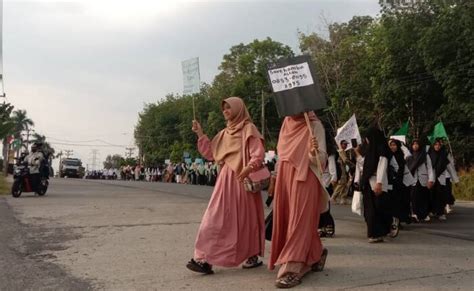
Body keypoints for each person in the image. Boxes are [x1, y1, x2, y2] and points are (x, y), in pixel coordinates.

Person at [186, 97, 265, 274]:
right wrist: (200, 133)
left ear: (238, 108)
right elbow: (210, 153)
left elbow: (258, 154)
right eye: (224, 108)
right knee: (214, 219)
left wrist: (248, 168)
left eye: (229, 107)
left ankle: (251, 255)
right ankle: (204, 259)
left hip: (243, 181)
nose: (226, 111)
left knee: (246, 220)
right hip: (225, 182)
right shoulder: (224, 134)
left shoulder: (248, 129)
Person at [269, 112, 329, 289]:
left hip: (306, 177)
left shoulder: (315, 125)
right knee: (288, 220)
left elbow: (321, 160)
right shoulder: (286, 123)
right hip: (284, 178)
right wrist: (275, 177)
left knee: (299, 222)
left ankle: (292, 268)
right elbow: (281, 155)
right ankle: (316, 253)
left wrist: (313, 151)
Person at [354, 127, 393, 243]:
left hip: (377, 183)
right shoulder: (370, 151)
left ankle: (378, 233)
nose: (367, 141)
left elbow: (382, 166)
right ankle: (373, 233)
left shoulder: (381, 150)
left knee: (378, 209)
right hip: (369, 183)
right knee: (370, 210)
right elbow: (365, 165)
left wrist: (379, 182)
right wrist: (357, 153)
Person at [427, 139, 459, 220]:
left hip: (441, 178)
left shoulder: (444, 155)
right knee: (431, 196)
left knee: (441, 196)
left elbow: (450, 169)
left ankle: (441, 213)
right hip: (432, 178)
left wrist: (456, 180)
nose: (437, 146)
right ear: (433, 145)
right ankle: (432, 211)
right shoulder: (429, 154)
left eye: (439, 145)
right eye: (435, 145)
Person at [387, 139, 416, 226]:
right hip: (390, 182)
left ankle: (399, 220)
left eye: (394, 145)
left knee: (401, 202)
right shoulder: (387, 156)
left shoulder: (400, 155)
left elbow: (402, 169)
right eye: (391, 145)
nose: (392, 147)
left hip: (402, 183)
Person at [406, 138, 435, 222]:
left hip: (423, 179)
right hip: (413, 180)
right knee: (414, 198)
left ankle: (424, 214)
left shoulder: (425, 155)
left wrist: (431, 179)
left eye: (417, 144)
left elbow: (429, 168)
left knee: (424, 198)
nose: (415, 146)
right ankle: (415, 214)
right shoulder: (409, 155)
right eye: (414, 144)